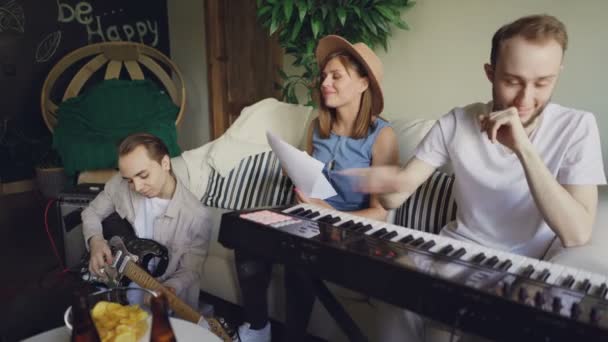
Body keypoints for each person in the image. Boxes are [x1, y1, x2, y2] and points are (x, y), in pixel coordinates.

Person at [347, 14, 606, 341]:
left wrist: (524, 150)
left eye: (542, 83)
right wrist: (380, 180)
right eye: (512, 81)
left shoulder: (577, 127)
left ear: (558, 75)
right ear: (490, 73)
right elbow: (395, 197)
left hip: (524, 273)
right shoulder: (457, 122)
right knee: (394, 289)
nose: (525, 99)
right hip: (453, 254)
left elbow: (577, 234)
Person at [235, 35, 399, 342]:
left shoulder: (382, 135)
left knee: (301, 257)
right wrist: (296, 176)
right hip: (309, 218)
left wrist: (331, 213)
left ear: (364, 84)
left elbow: (380, 211)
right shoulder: (317, 128)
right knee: (246, 235)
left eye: (336, 76)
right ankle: (258, 327)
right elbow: (310, 180)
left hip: (350, 233)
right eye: (324, 75)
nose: (325, 82)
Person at [83, 132, 212, 310]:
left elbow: (191, 270)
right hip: (123, 288)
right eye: (129, 180)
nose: (137, 187)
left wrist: (170, 288)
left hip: (168, 304)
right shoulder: (119, 185)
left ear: (165, 163)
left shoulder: (197, 216)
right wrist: (95, 241)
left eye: (143, 176)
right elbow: (92, 211)